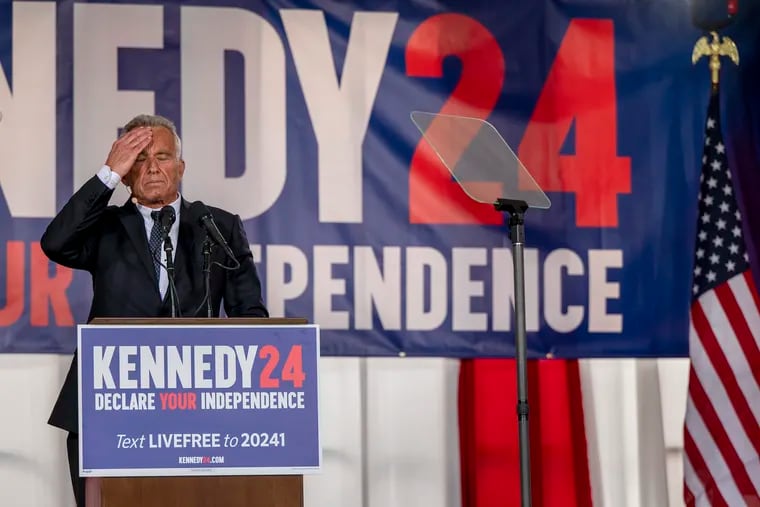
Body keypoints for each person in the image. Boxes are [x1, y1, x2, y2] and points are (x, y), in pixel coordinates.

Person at [40, 114, 269, 507]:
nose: (152, 167)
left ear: (181, 167)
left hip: (196, 411)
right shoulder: (105, 227)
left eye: (163, 157)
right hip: (108, 404)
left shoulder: (218, 226)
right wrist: (107, 174)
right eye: (139, 159)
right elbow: (56, 243)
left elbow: (251, 316)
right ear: (127, 174)